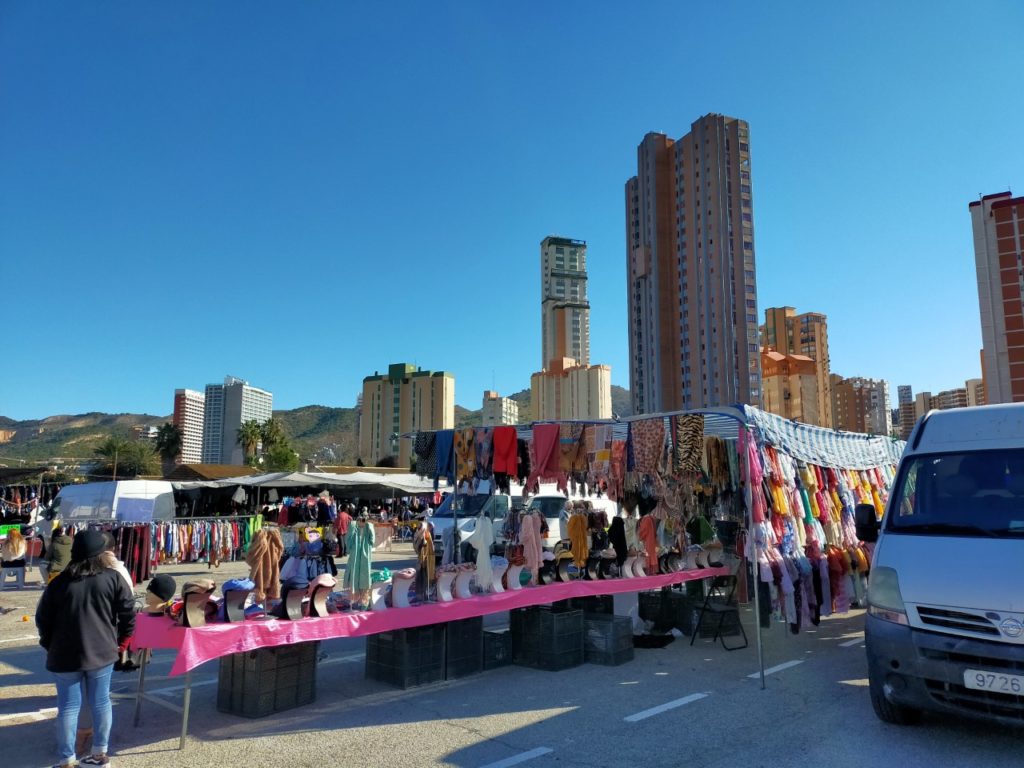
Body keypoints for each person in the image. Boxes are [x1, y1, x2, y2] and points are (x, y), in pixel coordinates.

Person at [36, 529, 135, 768]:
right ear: (99, 553)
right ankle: (100, 755)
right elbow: (128, 614)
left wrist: (50, 644)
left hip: (64, 654)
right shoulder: (112, 577)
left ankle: (66, 759)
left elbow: (43, 619)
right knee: (101, 702)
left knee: (68, 708)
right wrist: (121, 643)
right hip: (102, 651)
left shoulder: (58, 582)